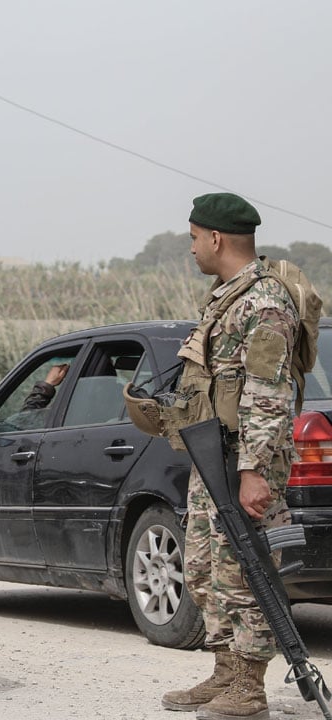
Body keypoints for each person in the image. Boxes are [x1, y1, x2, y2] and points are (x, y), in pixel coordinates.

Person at [161, 193, 299, 719]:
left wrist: (253, 472)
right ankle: (225, 673)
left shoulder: (264, 303)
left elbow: (268, 393)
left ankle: (249, 687)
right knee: (205, 565)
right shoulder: (225, 296)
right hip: (214, 456)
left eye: (194, 238)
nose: (191, 248)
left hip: (245, 461)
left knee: (244, 569)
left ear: (216, 238)